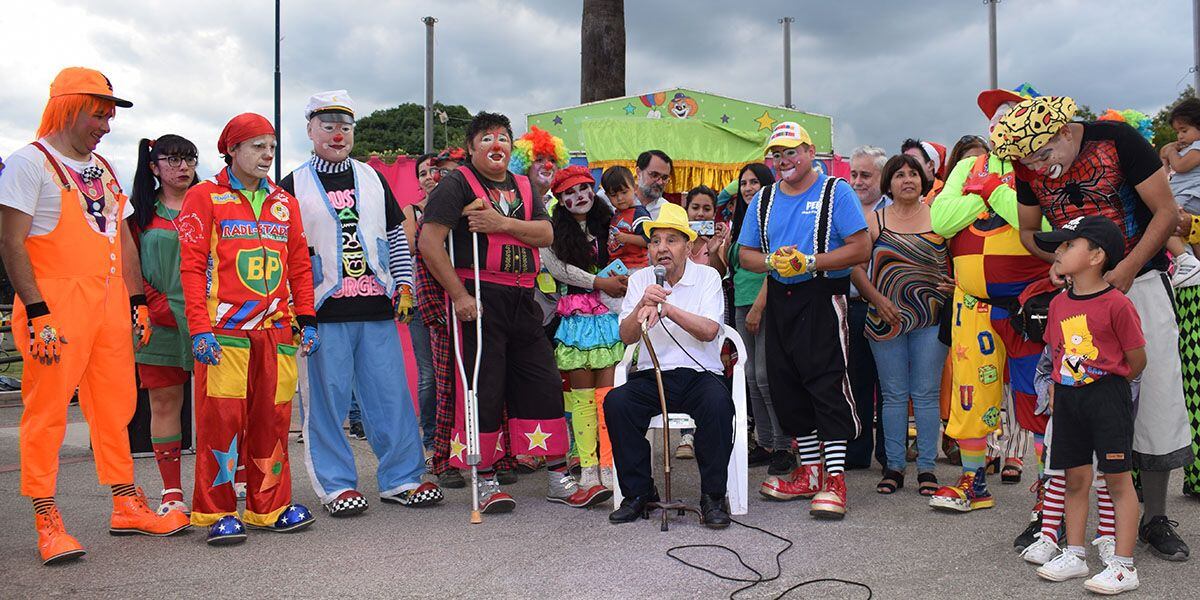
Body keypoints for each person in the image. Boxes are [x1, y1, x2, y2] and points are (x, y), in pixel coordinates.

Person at [0, 66, 190, 565]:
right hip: (56, 303)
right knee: (47, 412)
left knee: (116, 404)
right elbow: (10, 242)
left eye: (109, 116)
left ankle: (126, 503)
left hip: (109, 302)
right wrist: (37, 310)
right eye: (98, 114)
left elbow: (122, 237)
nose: (106, 125)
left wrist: (134, 301)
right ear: (66, 107)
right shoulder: (28, 164)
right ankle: (46, 517)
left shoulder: (102, 168)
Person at [997, 95, 1192, 561]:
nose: (1039, 170)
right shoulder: (1029, 169)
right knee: (1077, 398)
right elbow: (1028, 233)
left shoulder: (1118, 140)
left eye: (1044, 156)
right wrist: (1064, 267)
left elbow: (1166, 213)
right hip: (1080, 297)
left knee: (1157, 396)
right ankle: (1062, 518)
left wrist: (1125, 270)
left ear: (1066, 132)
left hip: (1140, 281)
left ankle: (1155, 518)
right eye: (1027, 162)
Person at [419, 112, 590, 512]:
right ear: (472, 146)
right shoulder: (456, 183)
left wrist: (499, 223)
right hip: (479, 295)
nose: (496, 145)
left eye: (503, 138)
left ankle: (558, 478)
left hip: (523, 298)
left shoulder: (526, 187)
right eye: (486, 138)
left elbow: (545, 234)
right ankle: (487, 479)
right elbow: (429, 243)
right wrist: (459, 296)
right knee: (485, 387)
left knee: (544, 382)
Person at [283, 90, 442, 516]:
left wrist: (404, 285)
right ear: (311, 129)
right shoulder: (292, 184)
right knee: (327, 402)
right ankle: (335, 485)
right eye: (328, 125)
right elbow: (284, 250)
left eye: (346, 126)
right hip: (322, 309)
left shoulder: (372, 176)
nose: (338, 134)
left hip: (376, 306)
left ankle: (403, 477)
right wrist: (296, 311)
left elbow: (394, 235)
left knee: (391, 396)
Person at [178, 112, 319, 544]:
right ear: (232, 150)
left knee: (273, 419)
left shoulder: (284, 201)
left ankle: (269, 506)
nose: (267, 154)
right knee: (221, 420)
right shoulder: (205, 196)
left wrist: (307, 318)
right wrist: (199, 329)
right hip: (225, 333)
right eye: (257, 146)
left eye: (272, 146)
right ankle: (215, 510)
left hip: (276, 330)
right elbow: (192, 267)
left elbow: (298, 263)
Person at [737, 122, 871, 520]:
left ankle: (835, 478)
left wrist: (811, 261)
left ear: (811, 152)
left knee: (826, 381)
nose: (784, 161)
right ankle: (809, 473)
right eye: (777, 154)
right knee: (785, 384)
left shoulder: (835, 191)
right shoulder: (762, 199)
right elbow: (745, 255)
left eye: (792, 152)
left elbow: (861, 248)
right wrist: (773, 261)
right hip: (781, 294)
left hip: (821, 294)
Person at [928, 88, 1051, 519]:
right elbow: (941, 222)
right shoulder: (967, 165)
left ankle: (1047, 489)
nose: (1000, 127)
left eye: (1010, 119)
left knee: (1035, 395)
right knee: (971, 394)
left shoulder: (1038, 164)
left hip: (1028, 305)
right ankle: (973, 481)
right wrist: (986, 188)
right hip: (972, 302)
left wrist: (992, 191)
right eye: (995, 120)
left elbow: (1040, 224)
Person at [1027, 216, 1145, 595]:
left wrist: (1107, 381)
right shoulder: (1059, 303)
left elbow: (1137, 359)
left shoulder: (1117, 304)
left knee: (1117, 481)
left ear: (1096, 255)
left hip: (1107, 396)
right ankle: (1074, 554)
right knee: (1075, 480)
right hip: (1069, 399)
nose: (1058, 252)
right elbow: (1057, 352)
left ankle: (1124, 566)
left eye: (1068, 245)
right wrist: (1061, 390)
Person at [605, 203, 733, 528]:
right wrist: (641, 308)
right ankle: (639, 493)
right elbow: (626, 336)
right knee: (617, 403)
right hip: (651, 375)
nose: (661, 248)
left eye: (671, 240)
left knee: (718, 404)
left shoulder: (708, 277)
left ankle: (713, 497)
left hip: (701, 375)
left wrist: (668, 308)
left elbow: (709, 332)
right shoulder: (639, 280)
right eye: (655, 241)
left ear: (688, 246)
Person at [851, 154, 950, 496]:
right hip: (884, 317)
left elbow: (956, 260)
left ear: (923, 180)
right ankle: (893, 467)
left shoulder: (941, 216)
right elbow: (856, 268)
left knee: (925, 394)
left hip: (931, 318)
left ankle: (927, 469)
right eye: (899, 175)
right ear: (888, 183)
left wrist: (956, 284)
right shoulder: (874, 220)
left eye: (913, 174)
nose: (907, 180)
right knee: (893, 395)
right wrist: (877, 300)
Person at [540, 165, 627, 501]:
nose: (579, 197)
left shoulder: (611, 223)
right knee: (581, 399)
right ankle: (588, 468)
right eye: (570, 193)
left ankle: (608, 464)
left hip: (608, 317)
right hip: (575, 321)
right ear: (560, 200)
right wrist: (598, 282)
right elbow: (558, 269)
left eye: (584, 189)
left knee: (608, 396)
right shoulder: (551, 231)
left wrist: (620, 281)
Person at [129, 134, 200, 516]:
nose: (183, 167)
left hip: (210, 321)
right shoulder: (139, 212)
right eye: (172, 160)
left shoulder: (211, 204)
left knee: (220, 404)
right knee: (164, 402)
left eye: (189, 159)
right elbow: (129, 267)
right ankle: (171, 490)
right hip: (158, 322)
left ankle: (226, 479)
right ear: (154, 167)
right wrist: (155, 305)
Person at [727, 163, 792, 473]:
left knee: (768, 376)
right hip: (741, 303)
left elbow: (777, 266)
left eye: (755, 182)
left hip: (767, 303)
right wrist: (718, 249)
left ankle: (784, 446)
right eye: (744, 183)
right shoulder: (740, 222)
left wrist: (758, 308)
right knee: (751, 375)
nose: (748, 188)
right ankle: (764, 443)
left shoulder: (775, 219)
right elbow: (732, 268)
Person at [845, 146, 891, 470]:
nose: (858, 181)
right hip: (852, 306)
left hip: (890, 308)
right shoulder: (843, 206)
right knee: (856, 381)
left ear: (882, 176)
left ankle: (892, 457)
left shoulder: (896, 209)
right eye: (854, 174)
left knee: (890, 387)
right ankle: (856, 453)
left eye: (866, 175)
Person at [405, 152, 439, 454]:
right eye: (423, 173)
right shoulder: (412, 210)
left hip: (453, 299)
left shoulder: (458, 207)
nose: (429, 177)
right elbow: (414, 247)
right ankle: (430, 440)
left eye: (433, 171)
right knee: (429, 373)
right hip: (421, 302)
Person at [1160, 98, 1200, 287]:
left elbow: (1180, 166)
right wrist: (1166, 153)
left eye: (1184, 131)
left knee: (1163, 220)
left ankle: (1185, 260)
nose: (1180, 137)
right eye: (1177, 132)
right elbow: (1166, 170)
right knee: (1184, 232)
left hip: (1191, 196)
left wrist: (1171, 154)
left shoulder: (1198, 147)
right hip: (1183, 195)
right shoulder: (1188, 148)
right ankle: (1190, 261)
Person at [602, 165, 650, 270]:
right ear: (607, 195)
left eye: (624, 192)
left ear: (635, 188)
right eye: (613, 195)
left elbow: (649, 240)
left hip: (635, 267)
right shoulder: (617, 213)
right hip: (617, 266)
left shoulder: (639, 214)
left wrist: (627, 238)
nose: (620, 198)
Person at [683, 185, 728, 275]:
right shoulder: (679, 236)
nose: (700, 213)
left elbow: (720, 275)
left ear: (714, 213)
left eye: (707, 209)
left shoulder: (720, 238)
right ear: (687, 210)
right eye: (695, 208)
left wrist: (713, 252)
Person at [901, 138, 947, 203]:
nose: (907, 164)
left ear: (930, 165)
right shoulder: (899, 194)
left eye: (913, 159)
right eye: (904, 160)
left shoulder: (945, 192)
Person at [635, 150, 673, 219]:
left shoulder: (669, 213)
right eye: (654, 175)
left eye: (664, 178)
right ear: (639, 173)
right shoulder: (621, 202)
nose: (660, 182)